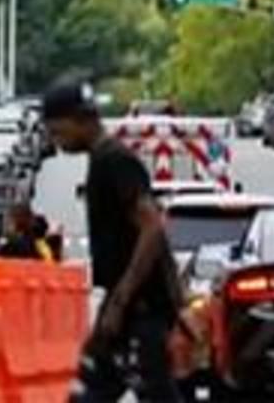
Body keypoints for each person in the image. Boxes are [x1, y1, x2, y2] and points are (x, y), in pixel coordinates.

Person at [42, 82, 182, 403]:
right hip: (125, 308)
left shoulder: (114, 160)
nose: (55, 140)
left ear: (80, 120)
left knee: (155, 391)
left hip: (140, 310)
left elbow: (152, 228)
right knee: (88, 391)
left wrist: (121, 300)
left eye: (57, 130)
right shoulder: (102, 160)